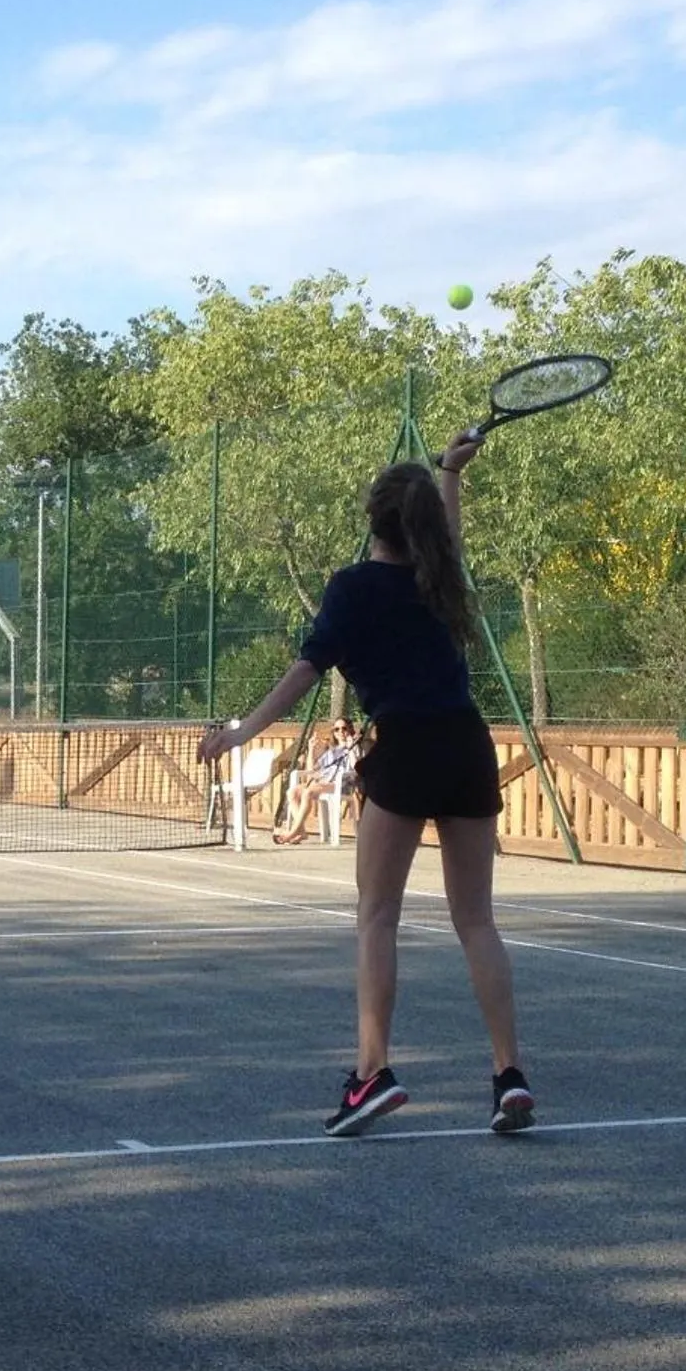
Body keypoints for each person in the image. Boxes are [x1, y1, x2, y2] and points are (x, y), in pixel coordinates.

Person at [200, 431, 533, 1138]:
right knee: (476, 921)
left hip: (407, 747)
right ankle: (509, 1074)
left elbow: (302, 676)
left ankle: (372, 1073)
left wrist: (239, 733)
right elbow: (451, 539)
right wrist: (451, 473)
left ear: (372, 522)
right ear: (422, 527)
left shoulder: (352, 590)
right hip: (466, 744)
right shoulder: (442, 584)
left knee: (377, 915)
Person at [271, 716, 361, 845]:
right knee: (292, 792)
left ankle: (292, 832)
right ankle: (301, 831)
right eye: (337, 729)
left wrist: (351, 746)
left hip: (341, 784)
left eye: (344, 728)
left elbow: (356, 767)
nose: (341, 732)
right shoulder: (331, 751)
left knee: (308, 792)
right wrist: (311, 749)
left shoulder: (354, 747)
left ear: (350, 730)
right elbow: (311, 771)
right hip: (324, 782)